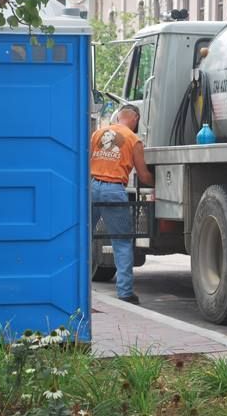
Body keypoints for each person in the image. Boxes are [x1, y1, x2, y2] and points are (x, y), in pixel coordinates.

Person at [91, 104, 154, 304]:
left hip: (91, 188)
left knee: (82, 238)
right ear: (135, 118)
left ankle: (75, 288)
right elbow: (143, 175)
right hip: (113, 190)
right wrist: (157, 184)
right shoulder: (133, 139)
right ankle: (125, 293)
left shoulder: (98, 134)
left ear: (118, 116)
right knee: (121, 242)